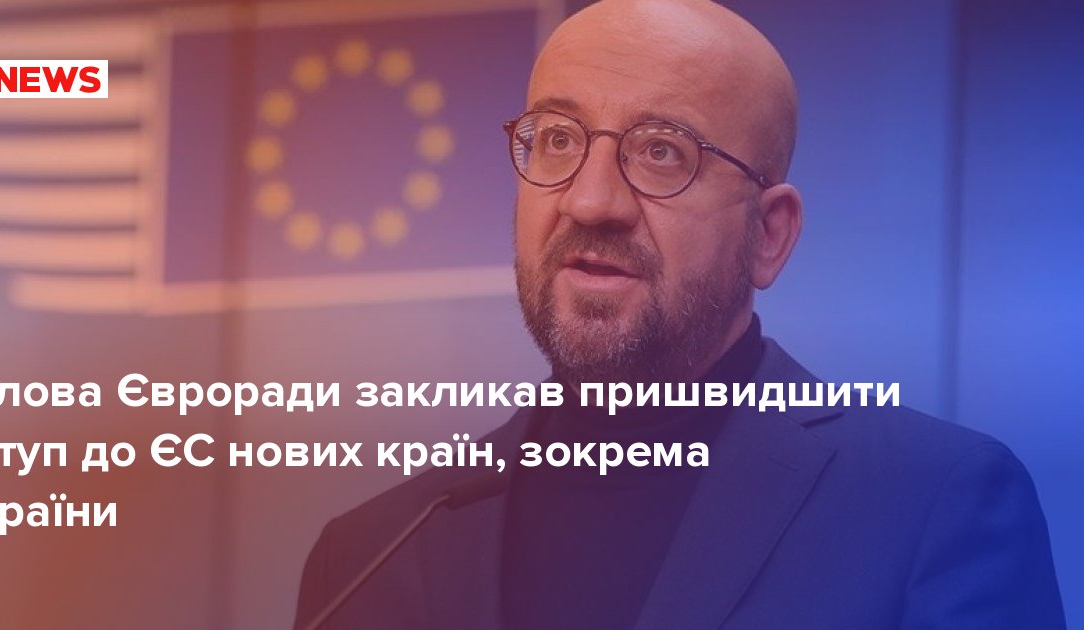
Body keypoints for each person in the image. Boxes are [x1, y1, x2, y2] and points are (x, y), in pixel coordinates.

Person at [294, 0, 1065, 628]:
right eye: (557, 139)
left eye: (662, 151)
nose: (590, 201)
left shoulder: (930, 507)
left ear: (769, 235)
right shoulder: (370, 556)